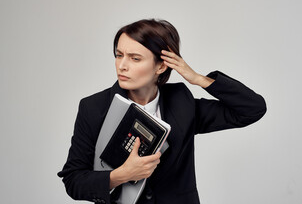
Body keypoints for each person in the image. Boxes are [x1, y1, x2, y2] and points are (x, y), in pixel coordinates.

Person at [58, 19, 267, 204]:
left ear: (161, 66)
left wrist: (199, 79)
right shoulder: (94, 107)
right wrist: (120, 175)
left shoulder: (182, 105)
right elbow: (73, 180)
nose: (121, 65)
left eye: (135, 58)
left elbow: (252, 109)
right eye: (118, 55)